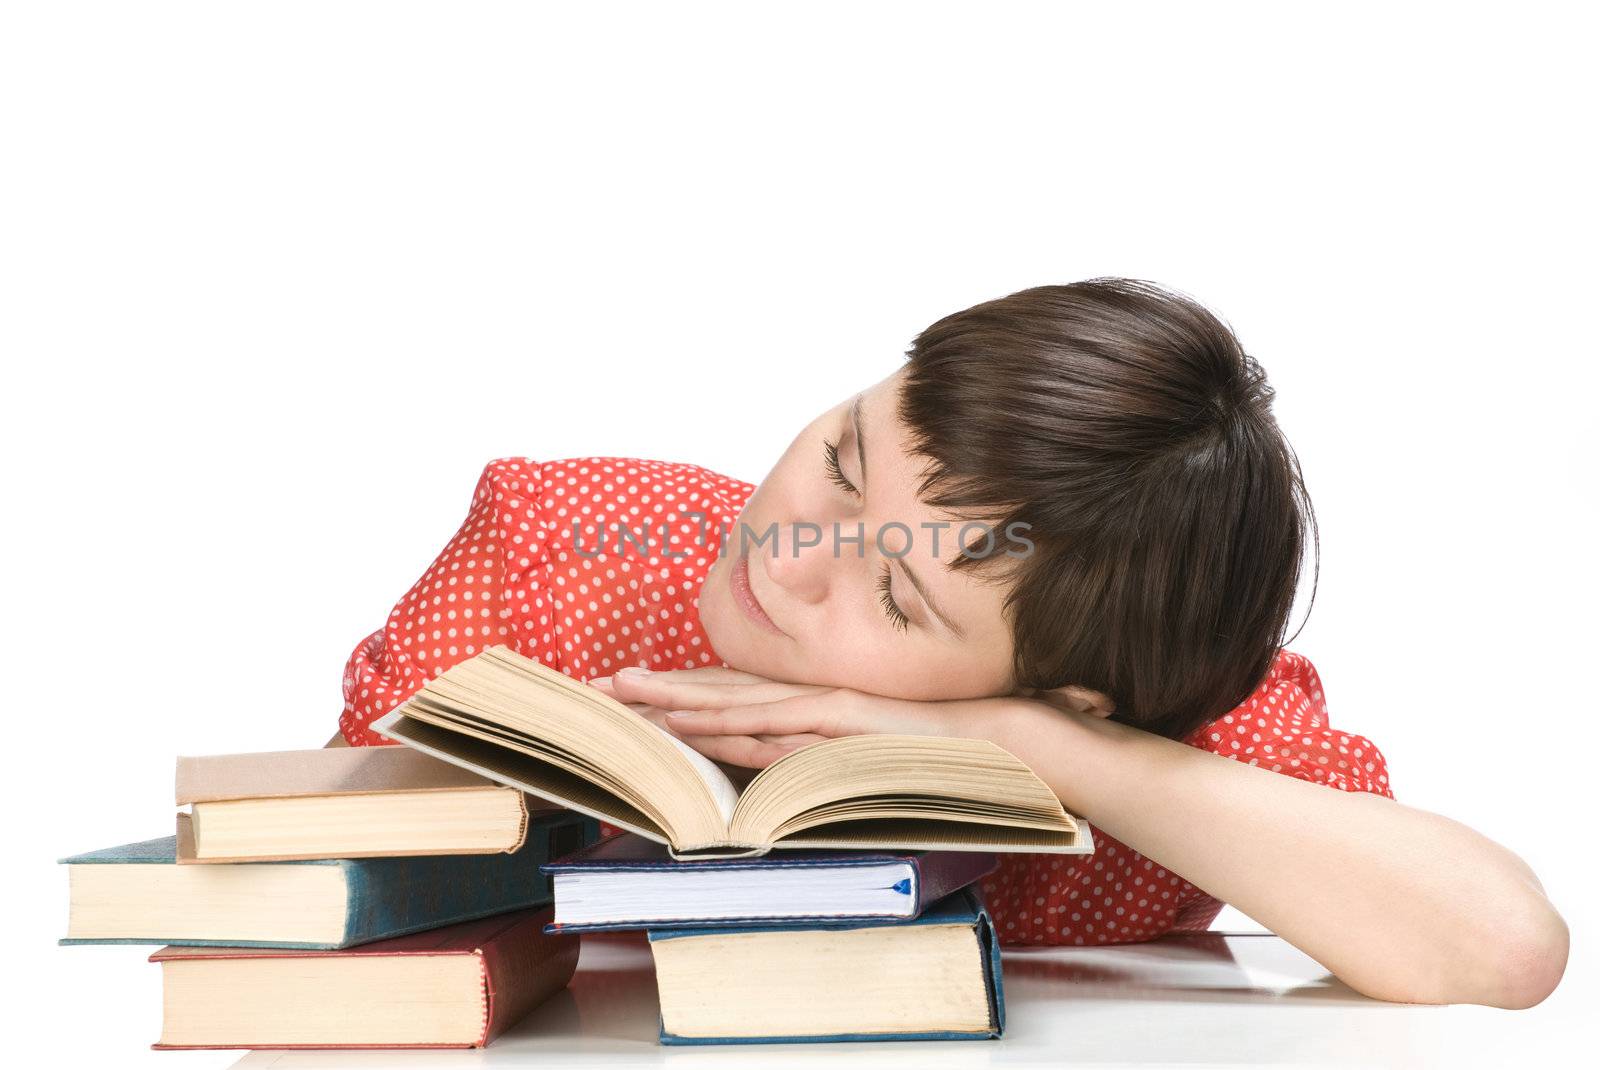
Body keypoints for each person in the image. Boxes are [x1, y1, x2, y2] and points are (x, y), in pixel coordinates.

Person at [331, 279, 1567, 1008]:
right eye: (842, 459)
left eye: (901, 597)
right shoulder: (568, 553)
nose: (792, 554)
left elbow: (1504, 944)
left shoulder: (1169, 717)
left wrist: (1029, 746)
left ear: (1083, 693)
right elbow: (324, 899)